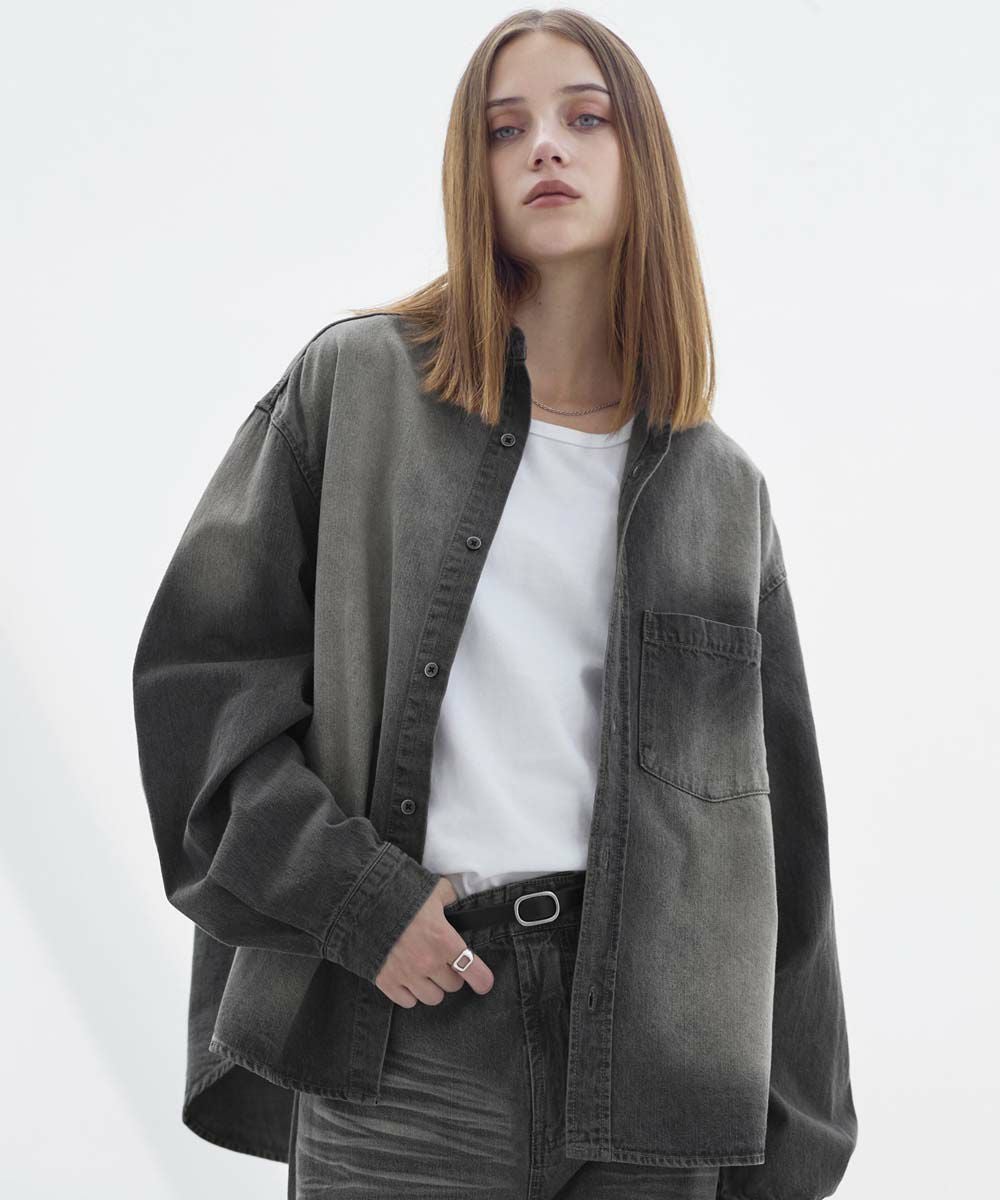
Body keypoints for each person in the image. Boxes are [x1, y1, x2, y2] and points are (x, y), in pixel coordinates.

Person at [132, 8, 857, 1200]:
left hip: (656, 1071)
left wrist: (792, 1148)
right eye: (503, 129)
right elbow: (200, 683)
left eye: (585, 118)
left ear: (642, 159)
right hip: (410, 1029)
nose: (545, 147)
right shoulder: (357, 389)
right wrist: (359, 902)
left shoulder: (720, 491)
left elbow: (778, 840)